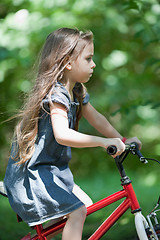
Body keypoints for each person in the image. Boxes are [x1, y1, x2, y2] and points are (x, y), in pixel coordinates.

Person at [4, 28, 141, 240]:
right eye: (88, 58)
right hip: (35, 174)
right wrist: (103, 142)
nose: (93, 64)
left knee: (84, 205)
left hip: (53, 172)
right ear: (68, 62)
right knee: (77, 211)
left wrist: (121, 140)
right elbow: (62, 134)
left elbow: (97, 119)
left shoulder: (76, 91)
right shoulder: (56, 93)